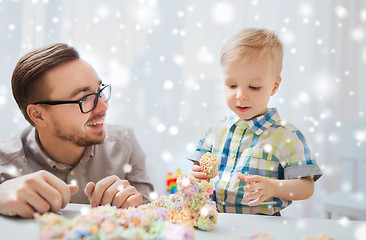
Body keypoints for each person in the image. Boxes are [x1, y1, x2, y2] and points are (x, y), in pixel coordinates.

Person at [0, 43, 154, 218]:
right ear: (38, 115)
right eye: (84, 98)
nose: (103, 107)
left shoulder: (125, 143)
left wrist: (136, 206)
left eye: (99, 90)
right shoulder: (4, 163)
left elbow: (153, 214)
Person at [190, 28, 322, 215]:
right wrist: (194, 176)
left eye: (254, 87)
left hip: (262, 227)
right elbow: (196, 171)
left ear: (274, 86)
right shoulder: (214, 130)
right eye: (231, 85)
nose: (241, 95)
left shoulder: (287, 136)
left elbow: (306, 187)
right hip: (216, 222)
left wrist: (274, 187)